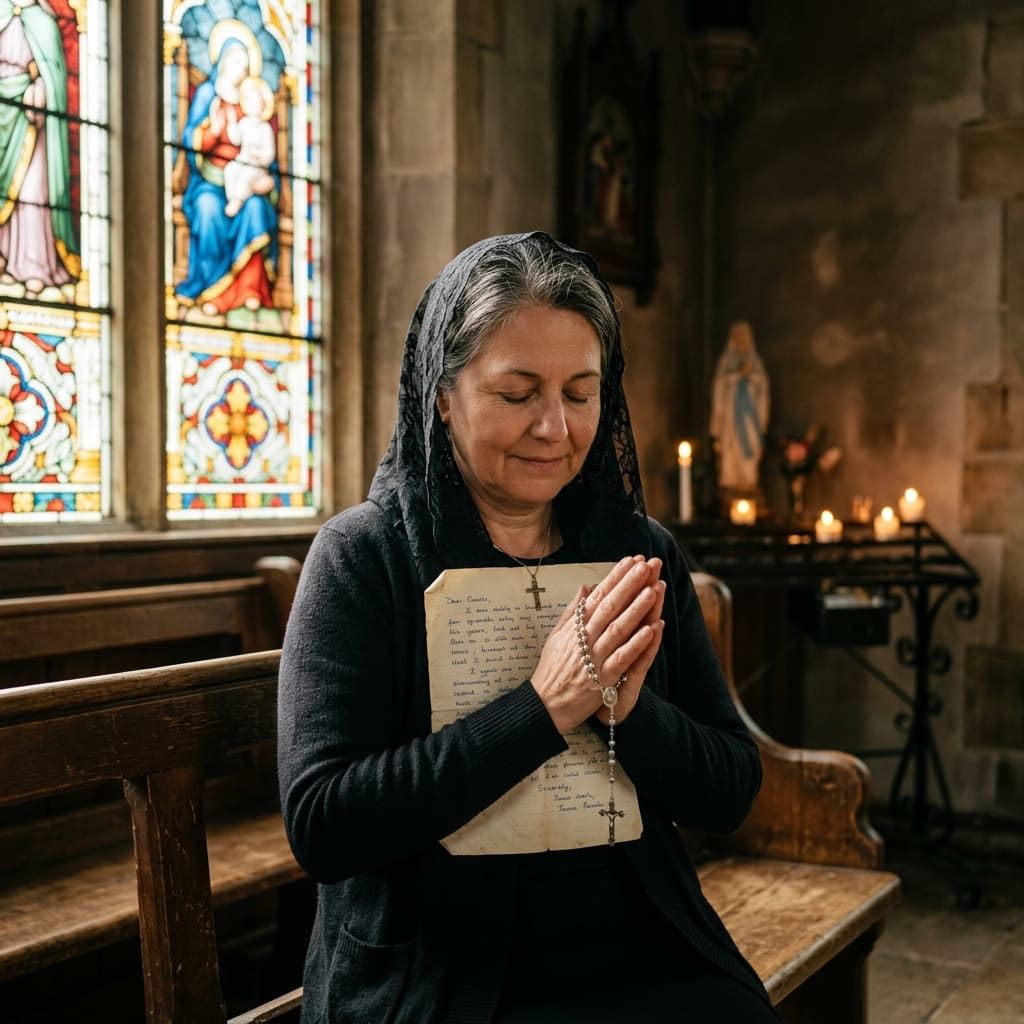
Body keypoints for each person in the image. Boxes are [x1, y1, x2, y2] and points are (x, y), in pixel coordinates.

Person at [278, 232, 779, 1023]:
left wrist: (627, 710)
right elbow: (325, 824)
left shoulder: (642, 553)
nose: (555, 427)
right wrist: (543, 709)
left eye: (581, 395)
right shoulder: (364, 557)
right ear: (442, 395)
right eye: (518, 394)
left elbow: (730, 789)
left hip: (638, 938)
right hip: (442, 960)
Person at [176, 38, 277, 317]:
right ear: (222, 62)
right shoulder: (209, 95)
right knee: (207, 209)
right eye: (236, 62)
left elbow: (266, 157)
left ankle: (249, 291)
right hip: (209, 180)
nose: (241, 70)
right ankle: (209, 287)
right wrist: (211, 131)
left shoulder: (252, 102)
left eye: (245, 65)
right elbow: (191, 140)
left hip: (248, 181)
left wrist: (265, 183)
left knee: (257, 209)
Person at [0, 0, 80, 299]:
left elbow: (54, 75)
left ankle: (32, 265)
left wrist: (42, 90)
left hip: (33, 121)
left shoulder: (43, 21)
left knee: (33, 195)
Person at [709, 319, 770, 494]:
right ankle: (731, 483)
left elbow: (763, 389)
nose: (742, 341)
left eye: (745, 337)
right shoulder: (726, 363)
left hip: (751, 416)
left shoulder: (756, 364)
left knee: (750, 448)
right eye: (739, 337)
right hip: (730, 416)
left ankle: (749, 483)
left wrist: (750, 377)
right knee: (730, 448)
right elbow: (719, 386)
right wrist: (737, 376)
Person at [222, 74, 276, 218]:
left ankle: (238, 201)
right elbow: (236, 139)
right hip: (243, 159)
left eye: (257, 103)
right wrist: (232, 123)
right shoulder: (244, 123)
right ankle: (232, 197)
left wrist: (259, 156)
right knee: (230, 170)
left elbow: (269, 153)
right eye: (250, 103)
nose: (254, 106)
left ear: (263, 105)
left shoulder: (265, 128)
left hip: (257, 165)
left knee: (247, 175)